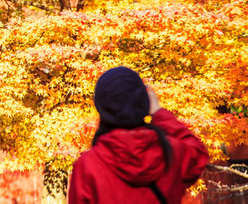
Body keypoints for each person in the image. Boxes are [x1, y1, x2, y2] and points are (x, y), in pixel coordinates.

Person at [67, 67, 209, 204]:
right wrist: (158, 113)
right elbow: (198, 153)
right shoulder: (171, 154)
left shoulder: (88, 166)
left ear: (101, 107)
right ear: (144, 103)